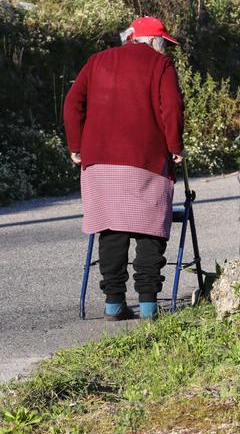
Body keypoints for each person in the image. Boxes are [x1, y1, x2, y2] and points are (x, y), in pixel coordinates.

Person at [64, 16, 185, 321]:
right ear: (153, 41)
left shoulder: (97, 60)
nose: (165, 51)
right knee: (150, 228)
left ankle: (114, 304)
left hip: (99, 160)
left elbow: (72, 102)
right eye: (164, 45)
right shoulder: (161, 66)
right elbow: (171, 107)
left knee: (111, 228)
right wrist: (175, 147)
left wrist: (75, 145)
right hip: (146, 158)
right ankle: (147, 304)